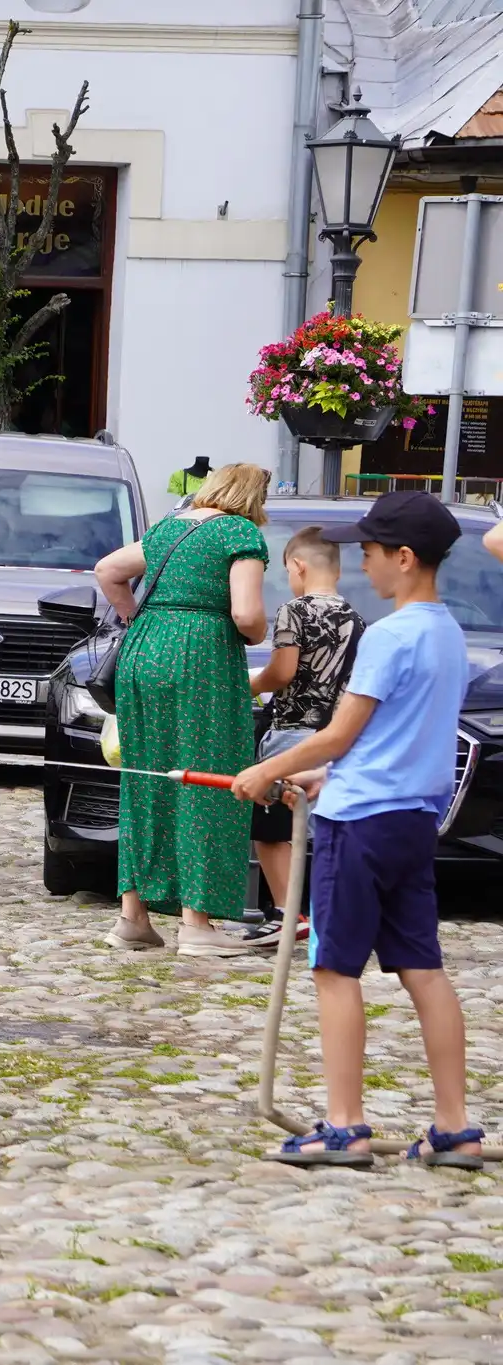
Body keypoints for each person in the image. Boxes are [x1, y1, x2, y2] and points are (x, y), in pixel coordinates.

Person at [233, 492, 480, 1168]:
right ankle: (455, 1126)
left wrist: (269, 770)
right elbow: (397, 737)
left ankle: (345, 1125)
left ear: (404, 558)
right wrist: (323, 778)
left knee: (335, 970)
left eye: (370, 553)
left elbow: (342, 733)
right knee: (423, 969)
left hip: (360, 823)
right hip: (410, 821)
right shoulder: (448, 632)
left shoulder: (390, 634)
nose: (363, 565)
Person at [95, 462, 270, 957]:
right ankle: (197, 923)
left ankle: (133, 918)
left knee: (145, 778)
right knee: (206, 776)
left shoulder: (170, 527)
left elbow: (108, 570)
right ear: (253, 497)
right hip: (201, 656)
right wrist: (255, 636)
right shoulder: (240, 533)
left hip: (145, 650)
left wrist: (138, 616)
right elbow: (246, 614)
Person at [243, 526, 364, 944]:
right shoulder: (357, 619)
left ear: (297, 566)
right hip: (332, 735)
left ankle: (287, 911)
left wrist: (248, 685)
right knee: (320, 830)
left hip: (291, 730)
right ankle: (330, 914)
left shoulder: (295, 611)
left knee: (272, 828)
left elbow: (282, 672)